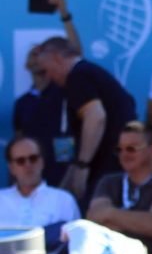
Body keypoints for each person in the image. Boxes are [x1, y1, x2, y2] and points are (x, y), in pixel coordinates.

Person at [34, 36, 137, 205]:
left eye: (46, 70)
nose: (48, 78)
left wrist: (82, 166)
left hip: (108, 169)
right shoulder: (89, 72)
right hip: (115, 167)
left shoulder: (78, 76)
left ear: (57, 58)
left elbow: (96, 117)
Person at [13, 0, 81, 187]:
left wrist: (64, 14)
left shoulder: (63, 89)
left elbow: (75, 53)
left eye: (42, 52)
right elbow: (18, 142)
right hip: (32, 175)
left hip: (63, 171)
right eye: (33, 53)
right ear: (26, 64)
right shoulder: (22, 103)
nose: (38, 55)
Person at [86, 121, 152, 254]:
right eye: (119, 149)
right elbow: (93, 217)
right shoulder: (109, 182)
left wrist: (109, 215)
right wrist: (143, 227)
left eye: (131, 148)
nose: (124, 154)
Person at [0, 136, 80, 251]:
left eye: (33, 158)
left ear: (41, 161)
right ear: (11, 168)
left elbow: (76, 245)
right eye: (20, 161)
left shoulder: (64, 200)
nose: (28, 165)